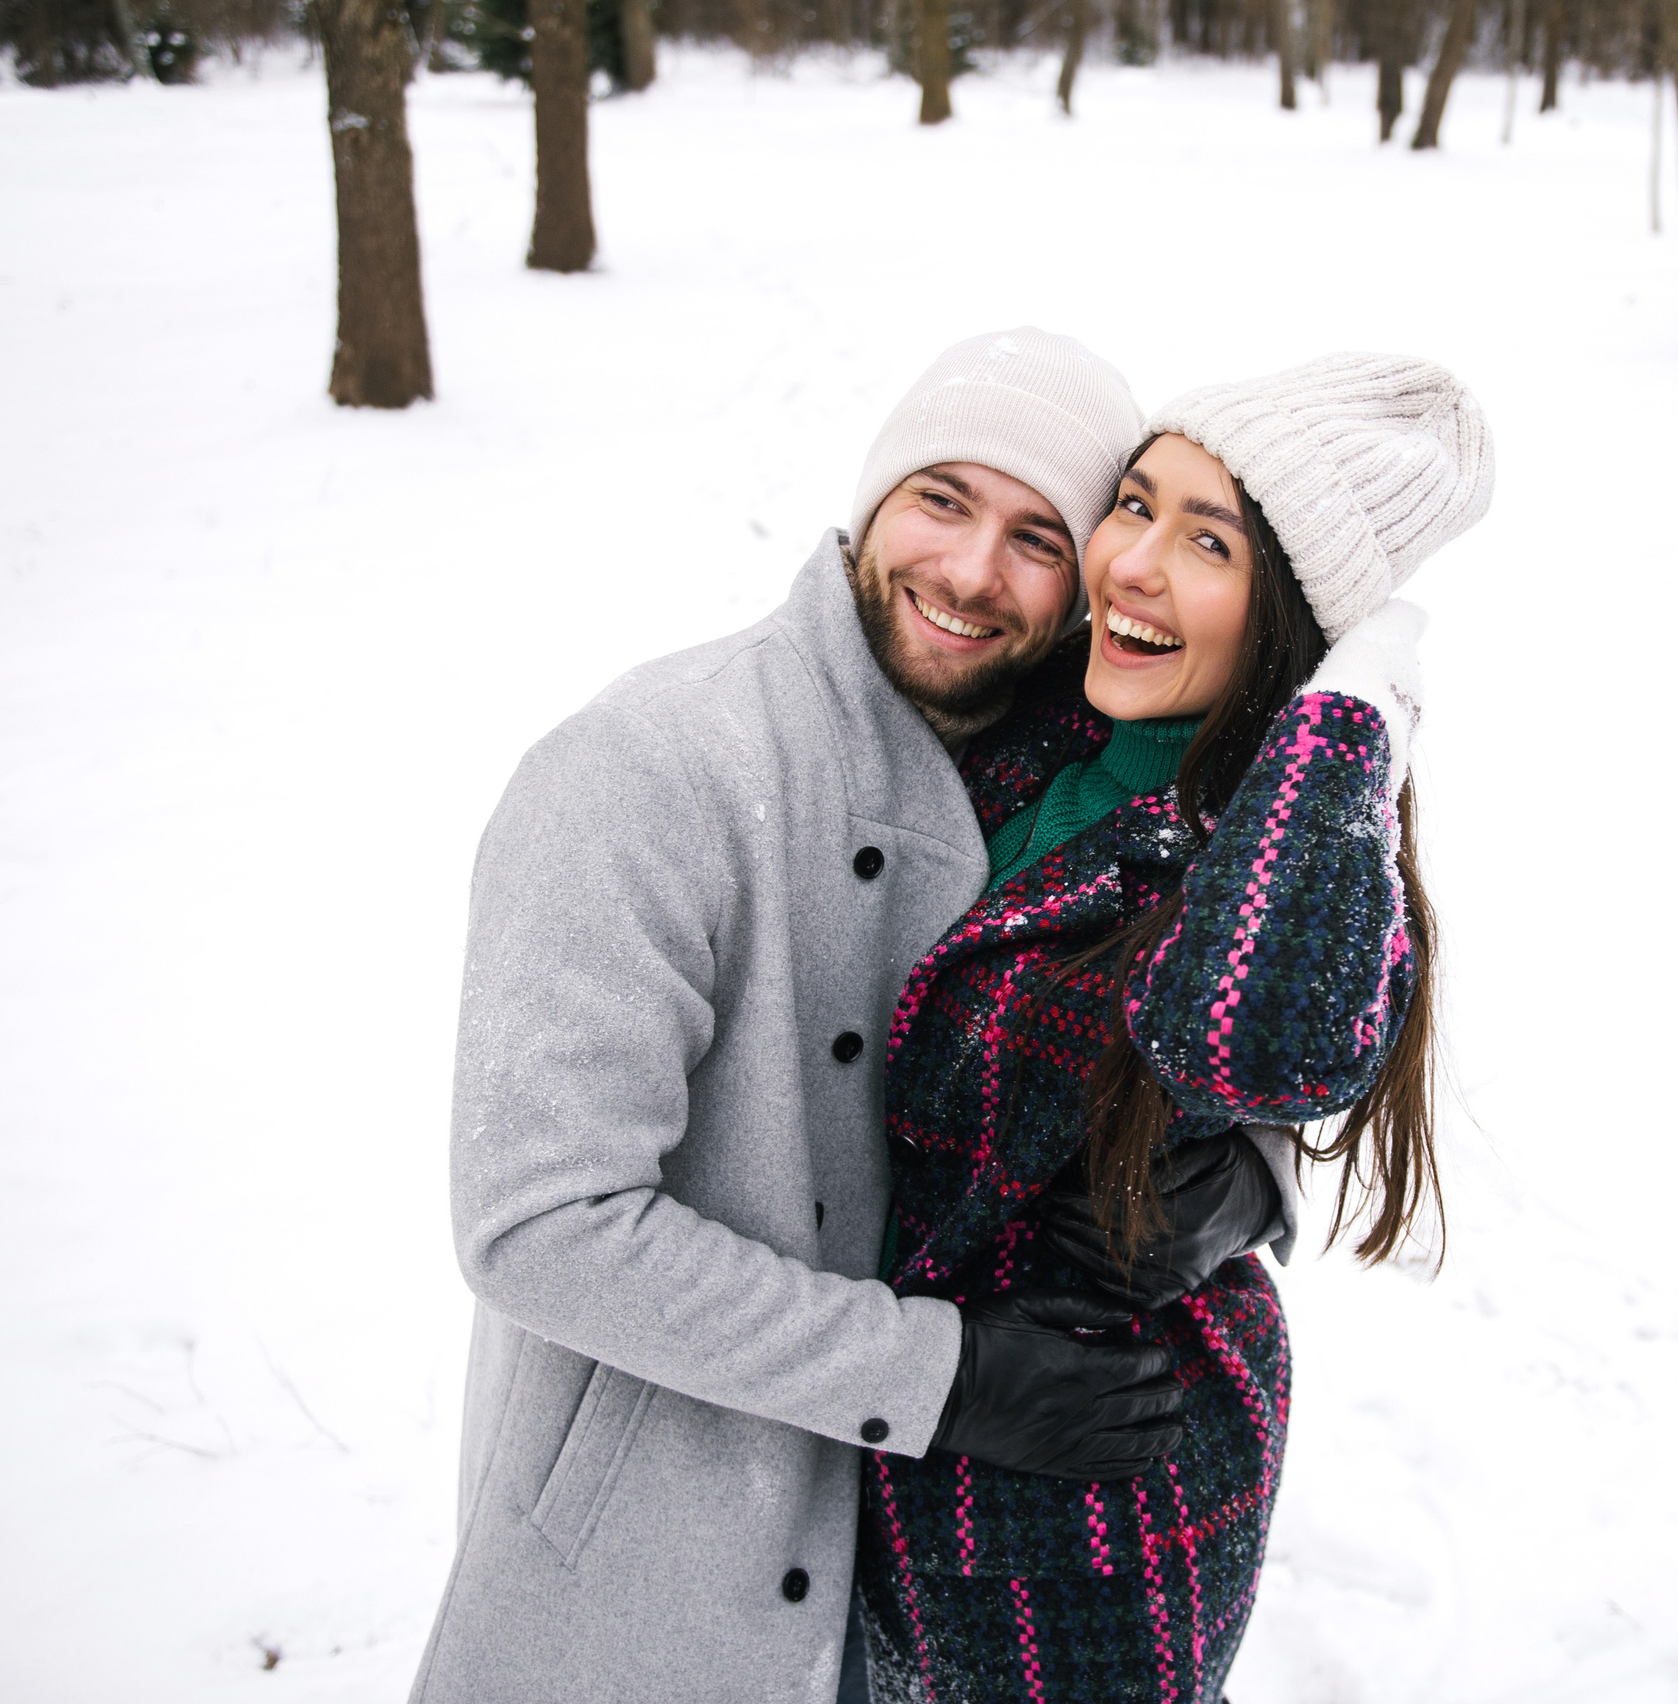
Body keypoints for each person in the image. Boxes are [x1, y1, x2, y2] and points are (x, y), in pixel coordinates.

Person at [409, 329, 1303, 1704]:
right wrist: (942, 1376)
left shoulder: (1050, 782)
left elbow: (1197, 1001)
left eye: (1038, 539)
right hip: (657, 1572)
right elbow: (540, 1224)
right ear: (872, 499)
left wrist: (1240, 1172)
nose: (970, 574)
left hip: (926, 1590)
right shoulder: (651, 769)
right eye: (941, 499)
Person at [855, 353, 1494, 1702]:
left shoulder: (1274, 849)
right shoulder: (1031, 737)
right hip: (868, 1469)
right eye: (1133, 504)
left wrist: (1349, 721)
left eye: (1208, 542)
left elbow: (1264, 1047)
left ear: (1293, 624)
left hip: (1068, 1538)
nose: (1131, 563)